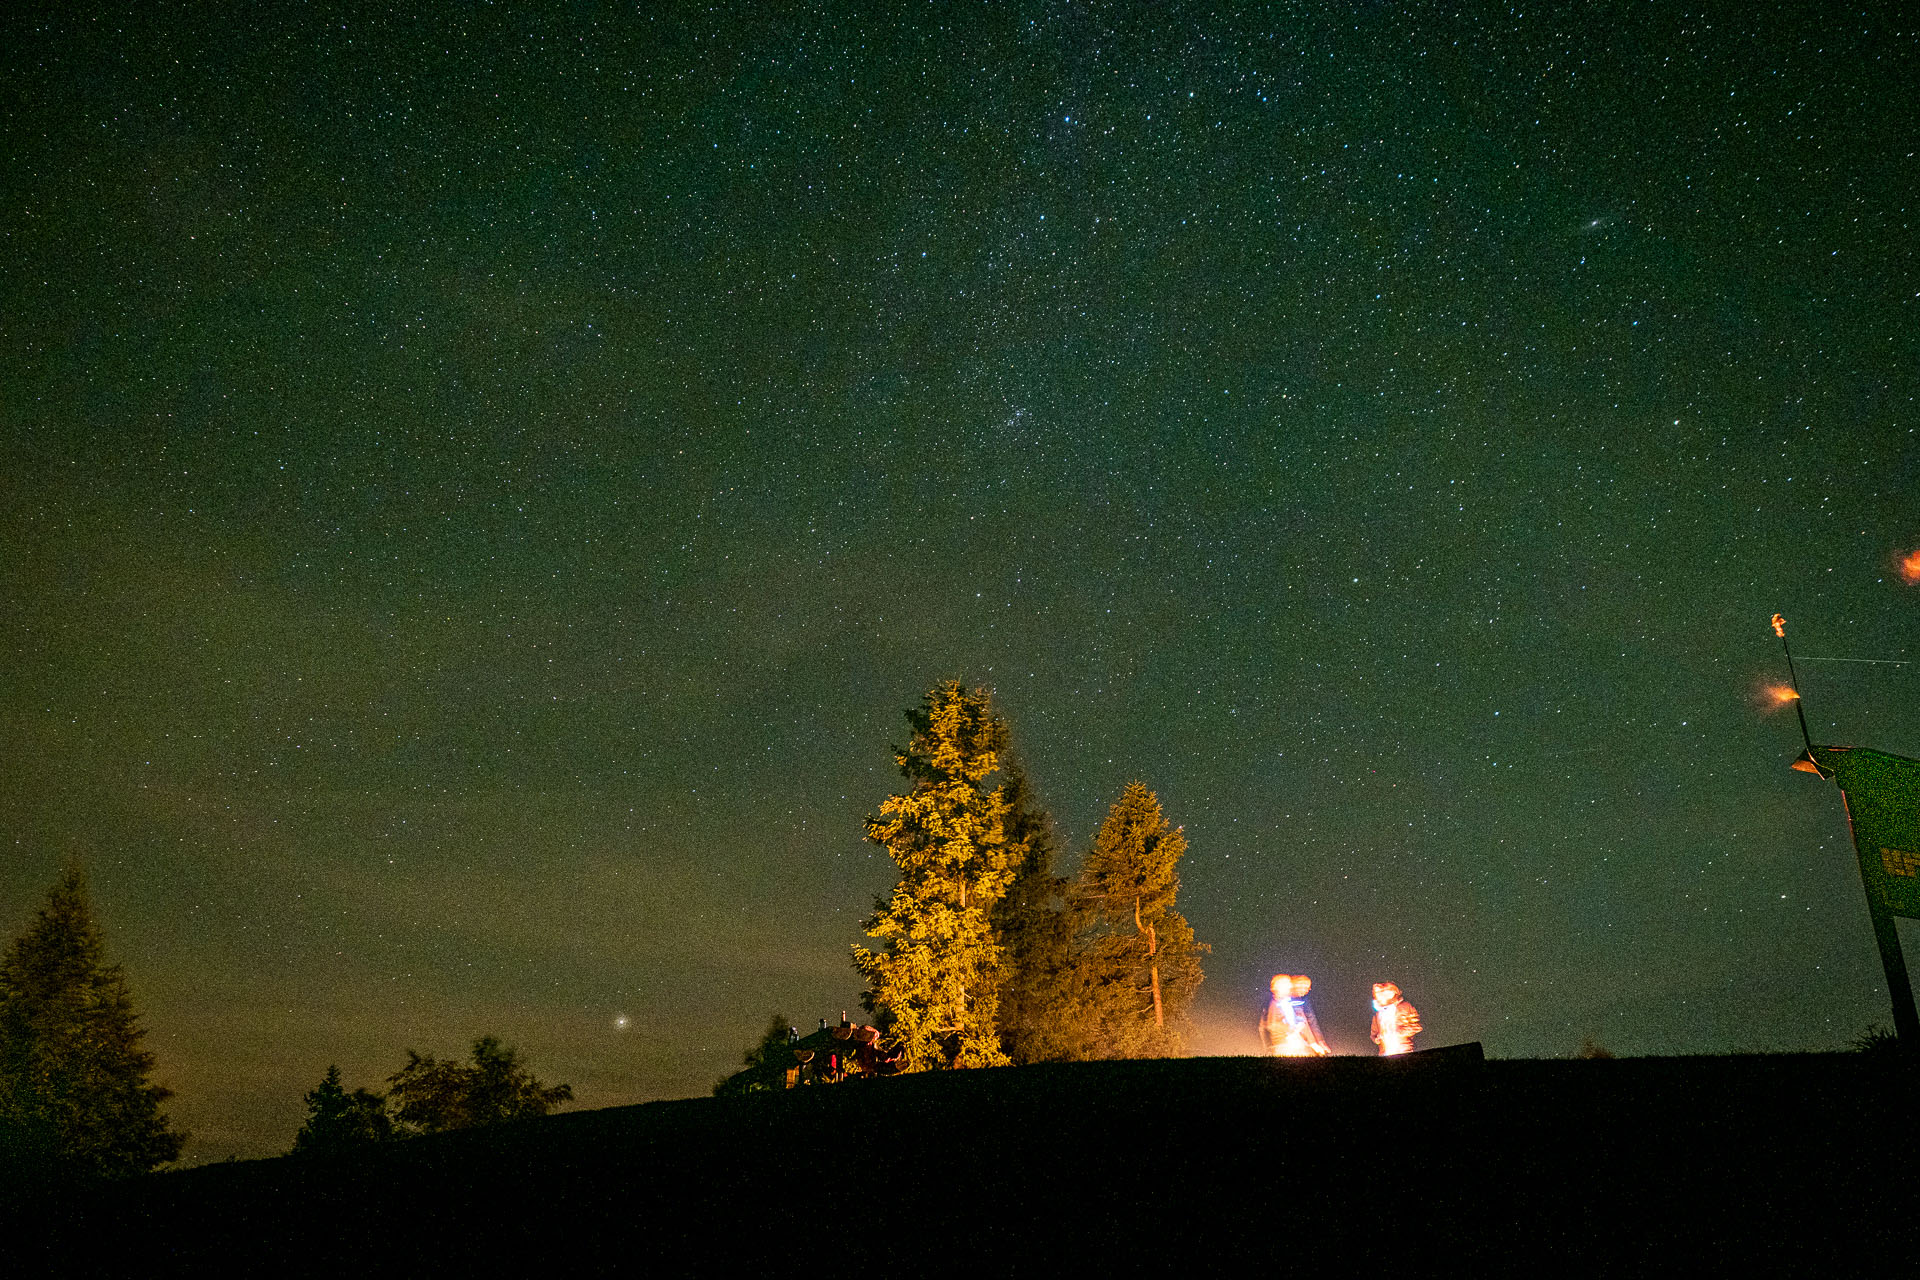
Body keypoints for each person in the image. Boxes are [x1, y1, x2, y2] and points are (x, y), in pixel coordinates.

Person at [1260, 974, 1331, 1057]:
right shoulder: (1275, 1004)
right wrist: (1293, 1029)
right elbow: (1272, 1024)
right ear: (1277, 987)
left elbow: (1304, 1022)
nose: (1290, 986)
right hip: (1284, 1046)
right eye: (1286, 984)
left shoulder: (1288, 1002)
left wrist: (1314, 1044)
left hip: (1295, 1044)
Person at [1370, 981, 1422, 1056]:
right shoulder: (1378, 1015)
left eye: (1382, 992)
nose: (1379, 996)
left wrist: (1398, 1032)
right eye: (1377, 994)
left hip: (1403, 1050)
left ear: (1392, 993)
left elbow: (1416, 1026)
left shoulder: (1405, 1007)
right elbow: (1373, 1034)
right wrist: (1377, 1038)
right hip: (1385, 1053)